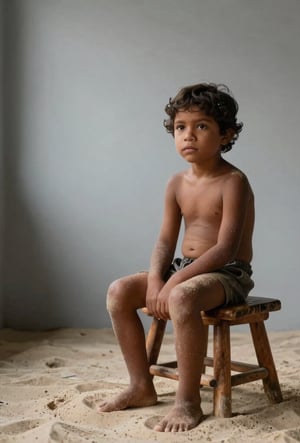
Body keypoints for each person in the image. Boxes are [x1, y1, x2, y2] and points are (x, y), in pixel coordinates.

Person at [99, 83, 255, 432]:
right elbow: (166, 239)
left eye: (201, 126)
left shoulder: (233, 182)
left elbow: (225, 249)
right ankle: (141, 386)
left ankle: (187, 402)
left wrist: (175, 282)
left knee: (182, 297)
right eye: (181, 127)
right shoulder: (175, 183)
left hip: (227, 274)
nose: (189, 135)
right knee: (118, 292)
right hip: (183, 270)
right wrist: (157, 279)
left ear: (226, 134)